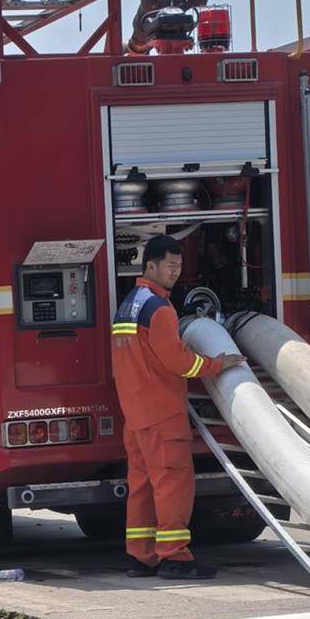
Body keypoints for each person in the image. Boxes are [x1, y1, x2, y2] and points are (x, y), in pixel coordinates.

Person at [111, 235, 242, 579]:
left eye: (179, 266)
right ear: (150, 266)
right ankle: (174, 556)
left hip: (136, 415)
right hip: (162, 413)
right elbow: (178, 361)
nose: (175, 272)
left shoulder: (128, 305)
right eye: (170, 266)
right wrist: (216, 364)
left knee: (142, 486)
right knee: (173, 483)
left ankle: (141, 556)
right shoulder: (159, 309)